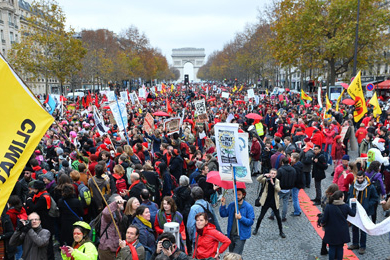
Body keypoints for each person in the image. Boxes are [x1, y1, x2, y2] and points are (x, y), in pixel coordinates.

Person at [347, 171, 379, 255]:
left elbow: (375, 198)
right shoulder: (353, 185)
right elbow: (349, 194)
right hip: (355, 209)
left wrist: (368, 205)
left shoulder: (370, 187)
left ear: (364, 177)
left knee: (363, 229)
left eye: (361, 178)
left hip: (365, 211)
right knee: (354, 227)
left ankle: (362, 246)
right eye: (358, 178)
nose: (359, 180)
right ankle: (355, 243)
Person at [321, 191, 356, 260]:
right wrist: (354, 205)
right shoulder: (345, 206)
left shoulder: (329, 206)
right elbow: (353, 214)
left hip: (331, 230)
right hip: (342, 230)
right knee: (340, 247)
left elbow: (324, 219)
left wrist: (322, 223)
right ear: (340, 198)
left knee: (332, 247)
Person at [219, 188, 254, 255]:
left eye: (239, 195)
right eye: (235, 195)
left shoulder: (248, 207)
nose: (237, 197)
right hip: (231, 235)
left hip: (240, 236)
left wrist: (241, 218)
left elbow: (250, 222)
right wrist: (223, 205)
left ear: (243, 195)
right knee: (233, 255)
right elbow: (223, 214)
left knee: (235, 256)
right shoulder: (232, 205)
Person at [253, 169, 286, 238]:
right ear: (269, 173)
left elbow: (278, 189)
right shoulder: (265, 180)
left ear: (276, 175)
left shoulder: (277, 181)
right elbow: (258, 179)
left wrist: (273, 184)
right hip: (266, 201)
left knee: (278, 217)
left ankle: (281, 231)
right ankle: (256, 229)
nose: (273, 175)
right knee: (260, 217)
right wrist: (264, 175)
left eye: (274, 173)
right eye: (272, 173)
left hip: (274, 202)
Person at [98, 194, 128, 260]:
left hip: (116, 248)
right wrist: (116, 203)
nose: (122, 202)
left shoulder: (119, 214)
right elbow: (106, 212)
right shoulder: (109, 215)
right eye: (119, 201)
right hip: (107, 249)